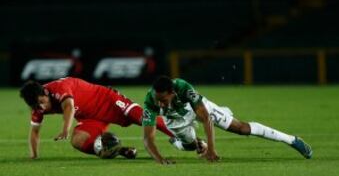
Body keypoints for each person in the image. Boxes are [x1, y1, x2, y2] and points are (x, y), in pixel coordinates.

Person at [142, 76, 313, 164]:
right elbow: (147, 138)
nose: (159, 103)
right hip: (174, 120)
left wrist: (212, 150)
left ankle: (292, 140)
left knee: (241, 128)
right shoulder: (150, 101)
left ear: (172, 93)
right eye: (157, 99)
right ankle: (180, 141)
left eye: (163, 99)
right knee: (189, 146)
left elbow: (206, 118)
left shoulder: (184, 88)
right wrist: (160, 159)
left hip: (194, 108)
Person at [20, 77, 174, 159]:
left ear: (45, 93)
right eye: (35, 106)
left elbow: (69, 107)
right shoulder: (37, 107)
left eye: (41, 102)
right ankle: (117, 150)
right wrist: (33, 155)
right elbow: (34, 131)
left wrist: (65, 129)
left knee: (145, 118)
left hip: (108, 101)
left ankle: (190, 139)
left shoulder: (58, 88)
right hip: (91, 118)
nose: (41, 108)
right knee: (78, 141)